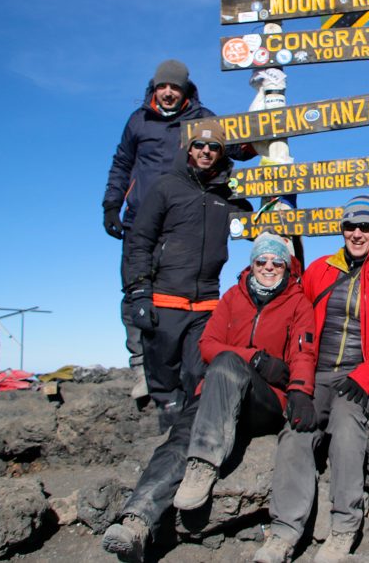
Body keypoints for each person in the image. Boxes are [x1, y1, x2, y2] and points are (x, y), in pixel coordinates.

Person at [102, 233, 316, 563]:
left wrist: (300, 391)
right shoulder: (233, 297)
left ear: (287, 267)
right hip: (218, 391)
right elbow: (208, 344)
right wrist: (254, 357)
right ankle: (136, 524)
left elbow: (304, 352)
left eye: (277, 262)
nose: (269, 267)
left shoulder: (298, 302)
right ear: (252, 264)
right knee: (178, 438)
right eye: (262, 261)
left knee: (229, 363)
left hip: (265, 401)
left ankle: (204, 464)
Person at [253, 195, 369, 563]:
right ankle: (283, 533)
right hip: (316, 372)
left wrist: (367, 376)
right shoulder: (319, 270)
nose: (357, 233)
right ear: (341, 229)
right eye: (350, 226)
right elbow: (294, 312)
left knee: (346, 424)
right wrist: (296, 380)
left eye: (366, 226)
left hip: (363, 375)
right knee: (296, 428)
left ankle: (343, 527)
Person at [103, 59, 255, 398]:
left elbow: (236, 147)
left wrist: (265, 114)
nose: (169, 92)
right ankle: (141, 367)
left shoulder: (202, 118)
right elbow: (122, 162)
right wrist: (111, 203)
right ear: (154, 89)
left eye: (175, 87)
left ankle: (185, 371)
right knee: (136, 290)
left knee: (181, 296)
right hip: (142, 214)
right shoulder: (138, 121)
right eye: (163, 87)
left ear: (185, 90)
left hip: (187, 219)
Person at [125, 120, 240, 430]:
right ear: (189, 149)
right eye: (199, 145)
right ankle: (165, 435)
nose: (206, 151)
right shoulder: (166, 186)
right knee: (163, 375)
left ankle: (187, 437)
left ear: (220, 152)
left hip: (206, 305)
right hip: (165, 298)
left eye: (213, 146)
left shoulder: (226, 194)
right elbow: (139, 241)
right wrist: (138, 291)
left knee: (195, 375)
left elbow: (254, 226)